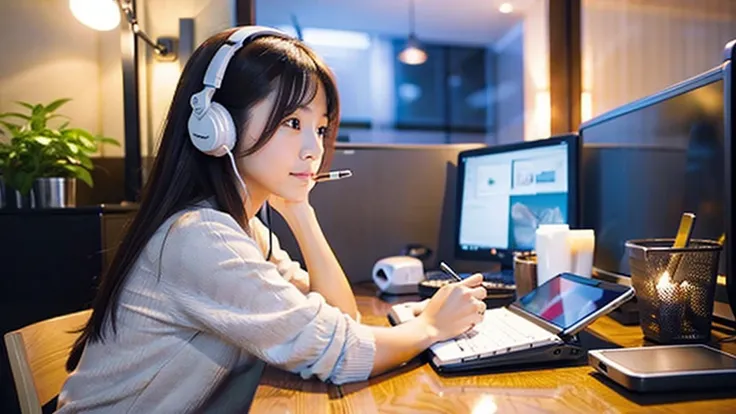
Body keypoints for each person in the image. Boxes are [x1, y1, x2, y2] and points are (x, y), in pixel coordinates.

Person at [56, 26, 487, 413]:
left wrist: (299, 209)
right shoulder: (199, 237)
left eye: (319, 129)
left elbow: (340, 321)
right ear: (217, 126)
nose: (313, 149)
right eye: (292, 121)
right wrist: (430, 326)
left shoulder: (243, 230)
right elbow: (342, 354)